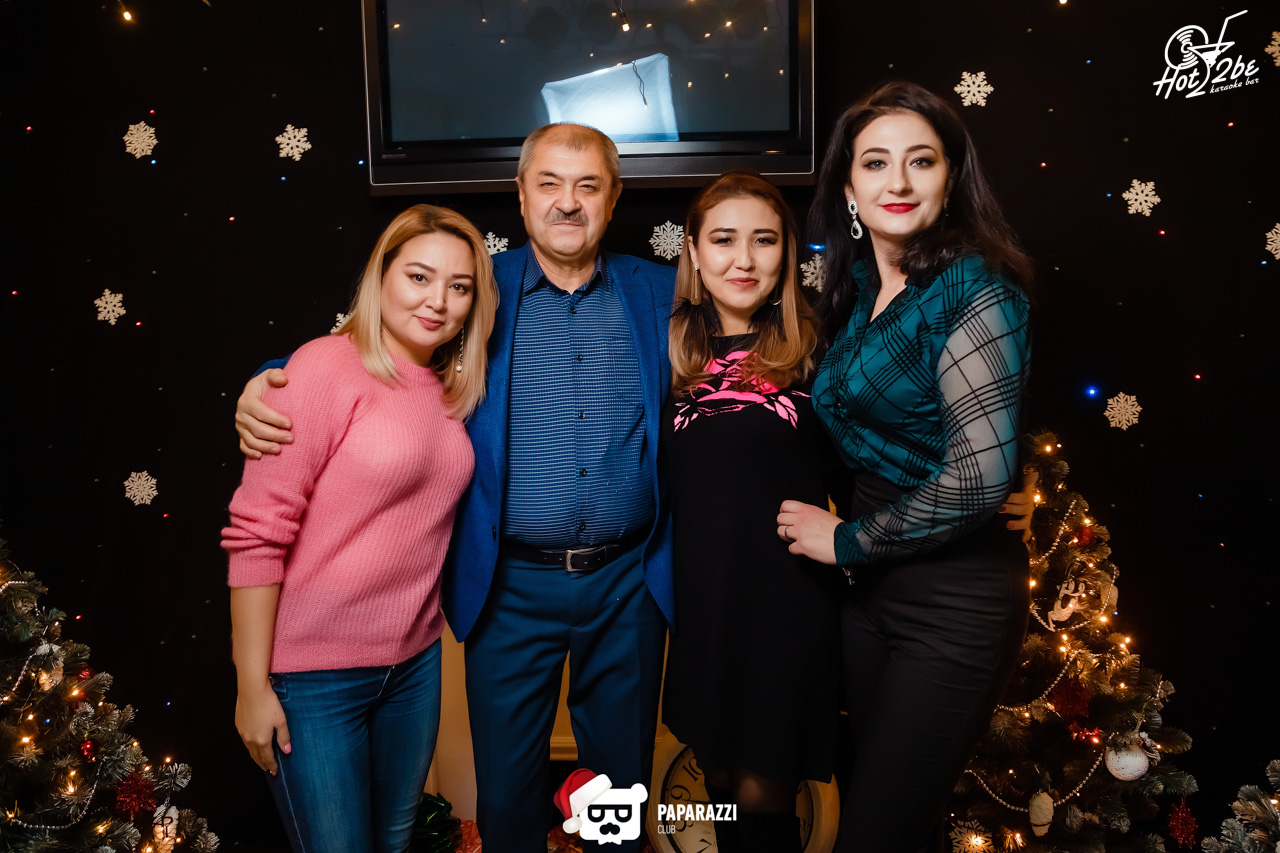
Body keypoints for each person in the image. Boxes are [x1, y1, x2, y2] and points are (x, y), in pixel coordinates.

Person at [234, 123, 676, 853]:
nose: (567, 202)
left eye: (588, 185)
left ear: (614, 196)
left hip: (627, 583)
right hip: (508, 587)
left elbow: (744, 347)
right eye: (549, 183)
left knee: (618, 794)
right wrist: (269, 379)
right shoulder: (474, 288)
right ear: (522, 194)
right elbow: (370, 348)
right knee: (507, 797)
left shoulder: (661, 291)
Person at [776, 81, 1035, 852]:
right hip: (870, 602)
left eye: (920, 161)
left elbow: (979, 479)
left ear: (950, 178)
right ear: (848, 188)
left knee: (875, 837)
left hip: (953, 602)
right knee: (899, 825)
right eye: (875, 162)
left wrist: (844, 540)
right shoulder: (859, 290)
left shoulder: (975, 286)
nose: (898, 181)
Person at [223, 204, 498, 853]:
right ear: (381, 276)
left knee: (394, 842)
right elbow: (257, 534)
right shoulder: (323, 366)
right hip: (314, 679)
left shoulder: (452, 388)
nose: (438, 300)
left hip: (414, 665)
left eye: (459, 286)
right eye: (419, 276)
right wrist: (251, 686)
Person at [659, 171, 838, 853]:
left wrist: (998, 485)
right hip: (703, 607)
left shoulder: (820, 349)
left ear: (786, 253)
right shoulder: (665, 349)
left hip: (785, 608)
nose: (744, 259)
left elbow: (883, 460)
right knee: (721, 785)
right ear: (694, 251)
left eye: (763, 240)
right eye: (724, 240)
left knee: (766, 802)